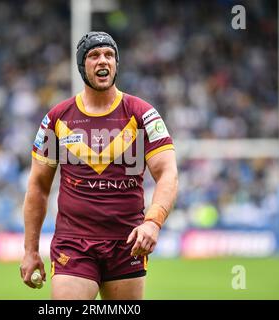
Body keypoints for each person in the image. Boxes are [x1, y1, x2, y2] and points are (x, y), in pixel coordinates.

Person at [20, 31, 178, 300]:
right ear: (82, 65)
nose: (102, 60)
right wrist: (30, 250)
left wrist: (153, 222)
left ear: (116, 63)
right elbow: (38, 187)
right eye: (94, 55)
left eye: (109, 55)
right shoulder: (57, 119)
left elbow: (168, 174)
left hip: (127, 243)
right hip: (74, 243)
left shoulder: (142, 114)